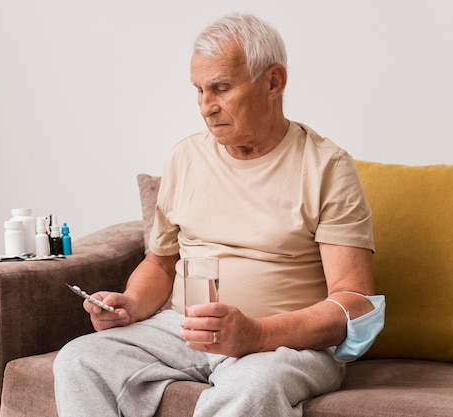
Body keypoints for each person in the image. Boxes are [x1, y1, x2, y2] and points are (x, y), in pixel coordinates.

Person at [54, 12, 379, 417]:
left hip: (285, 344)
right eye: (200, 90)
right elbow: (159, 263)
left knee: (254, 385)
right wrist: (131, 303)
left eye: (221, 88)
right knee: (80, 359)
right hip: (182, 330)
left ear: (274, 82)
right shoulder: (186, 157)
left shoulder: (327, 166)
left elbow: (355, 303)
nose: (206, 107)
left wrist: (255, 333)